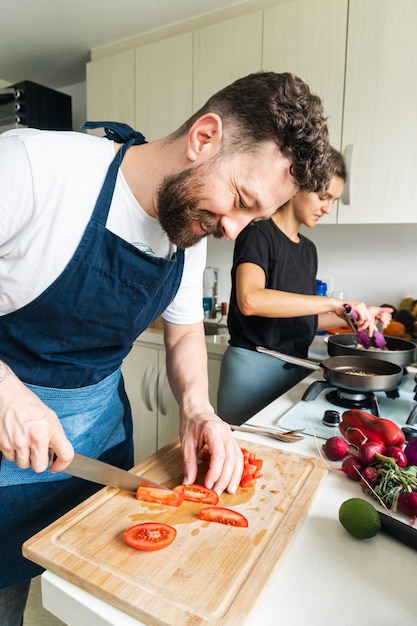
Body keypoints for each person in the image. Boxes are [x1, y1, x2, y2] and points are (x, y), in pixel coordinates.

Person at [0, 71, 332, 624]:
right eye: (241, 199)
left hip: (95, 451)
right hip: (8, 450)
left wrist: (198, 408)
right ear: (204, 137)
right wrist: (6, 392)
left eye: (255, 215)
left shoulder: (190, 230)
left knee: (78, 603)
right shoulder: (32, 167)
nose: (234, 230)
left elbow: (182, 336)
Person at [217, 148, 393, 425]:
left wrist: (351, 319)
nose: (327, 208)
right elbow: (250, 300)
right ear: (297, 184)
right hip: (253, 370)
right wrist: (334, 303)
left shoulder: (308, 250)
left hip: (296, 369)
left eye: (333, 200)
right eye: (323, 197)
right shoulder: (257, 232)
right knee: (239, 459)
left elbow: (302, 318)